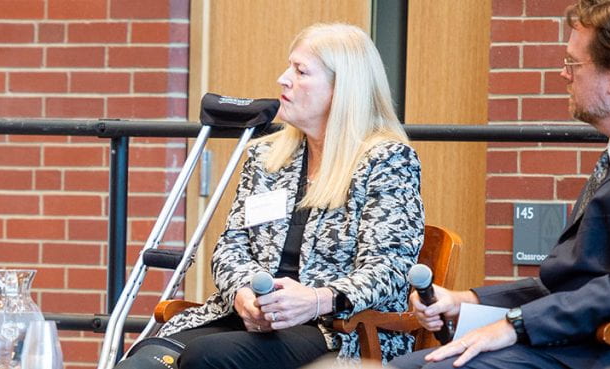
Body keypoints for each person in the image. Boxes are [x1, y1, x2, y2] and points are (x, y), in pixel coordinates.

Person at [391, 1, 610, 368]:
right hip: (589, 343)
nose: (563, 74)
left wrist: (513, 324)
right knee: (412, 364)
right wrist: (466, 300)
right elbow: (568, 281)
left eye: (573, 63)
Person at [156, 23, 425, 367]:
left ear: (342, 88)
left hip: (340, 328)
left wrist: (316, 299)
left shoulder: (386, 160)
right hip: (253, 320)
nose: (283, 79)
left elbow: (389, 268)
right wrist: (243, 294)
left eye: (300, 71)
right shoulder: (266, 156)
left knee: (208, 357)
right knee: (148, 358)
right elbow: (229, 248)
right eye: (289, 67)